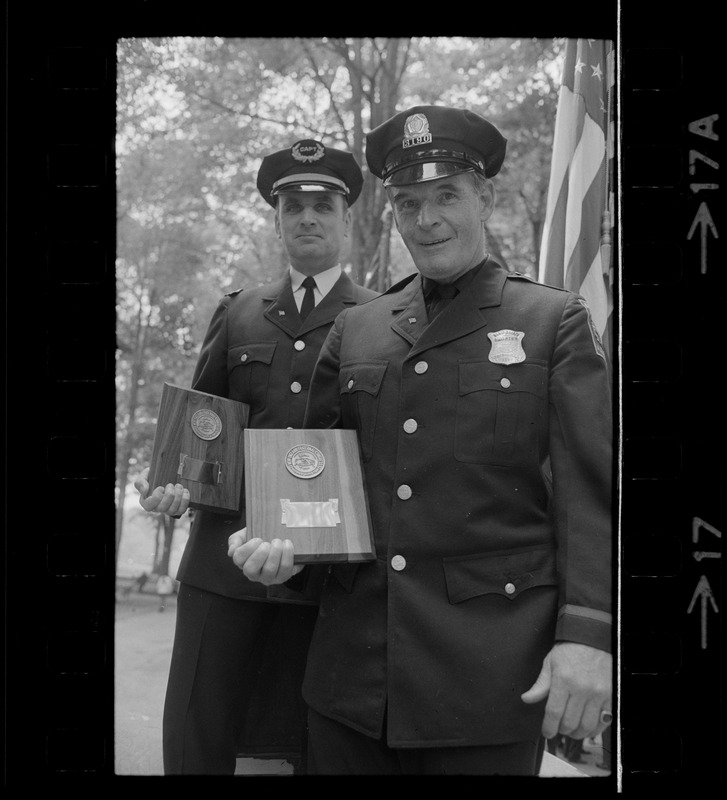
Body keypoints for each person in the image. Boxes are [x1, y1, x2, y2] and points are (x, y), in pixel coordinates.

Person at [228, 105, 614, 776]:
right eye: (408, 202)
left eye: (446, 195)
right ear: (392, 215)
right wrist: (283, 551)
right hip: (351, 683)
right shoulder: (359, 329)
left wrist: (588, 636)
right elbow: (319, 483)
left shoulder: (553, 322)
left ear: (485, 198)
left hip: (486, 680)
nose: (426, 217)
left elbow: (587, 495)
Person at [134, 138, 378, 775]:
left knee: (316, 746)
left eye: (322, 204)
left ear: (347, 217)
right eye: (292, 205)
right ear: (276, 219)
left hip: (327, 574)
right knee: (198, 736)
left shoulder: (381, 318)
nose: (307, 217)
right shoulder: (237, 312)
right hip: (223, 567)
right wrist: (169, 484)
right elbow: (197, 429)